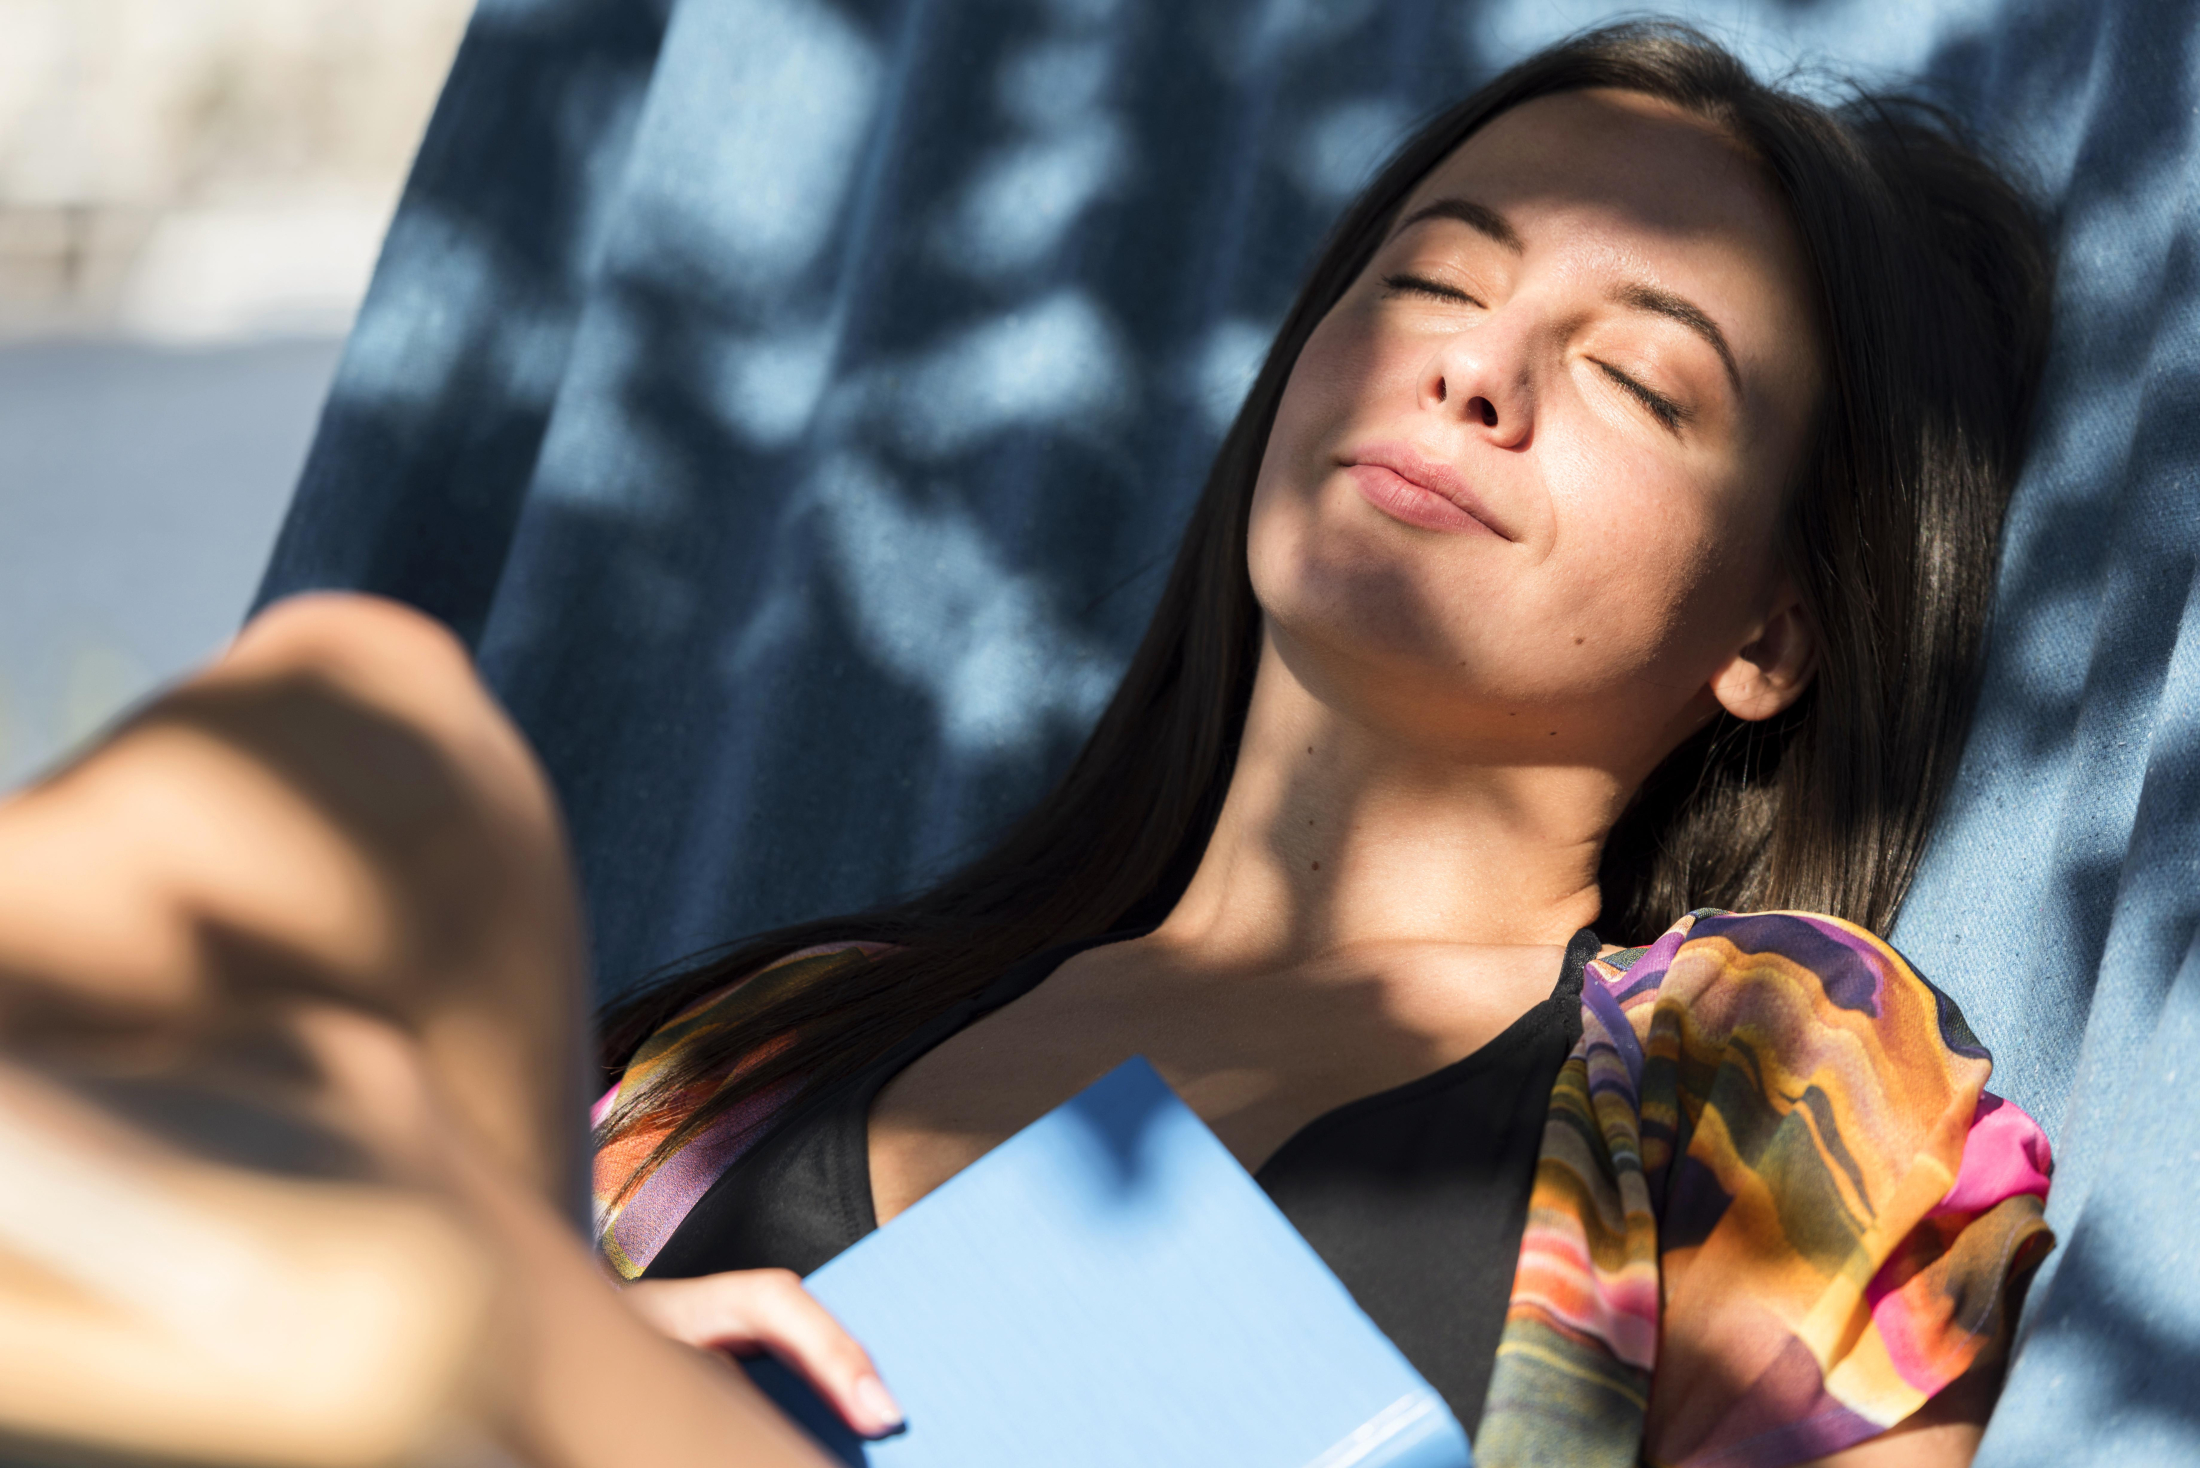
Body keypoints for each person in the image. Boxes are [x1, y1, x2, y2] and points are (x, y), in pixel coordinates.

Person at [0, 20, 2051, 1468]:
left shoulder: (1764, 1066)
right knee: (351, 711)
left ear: (1774, 633)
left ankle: (411, 1300)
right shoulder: (770, 1041)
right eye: (1429, 277)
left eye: (1634, 377)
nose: (1476, 370)